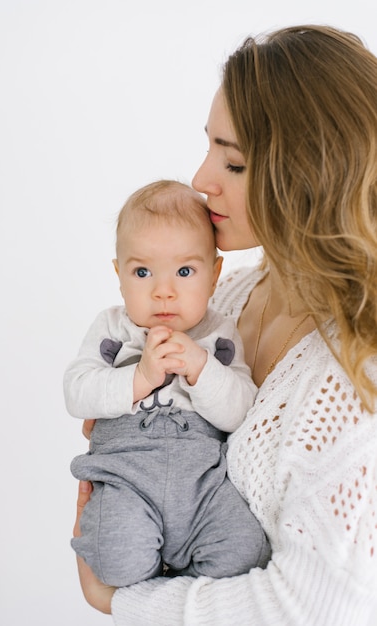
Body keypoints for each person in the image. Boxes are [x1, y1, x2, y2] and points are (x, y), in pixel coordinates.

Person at [73, 25, 377, 624]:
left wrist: (120, 598)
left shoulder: (356, 376)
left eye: (233, 162)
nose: (200, 179)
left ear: (310, 175)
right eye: (209, 146)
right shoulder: (227, 297)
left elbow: (317, 606)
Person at [65, 179, 270, 587]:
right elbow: (77, 391)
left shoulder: (220, 334)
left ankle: (182, 588)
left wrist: (201, 368)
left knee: (245, 551)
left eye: (184, 271)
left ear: (214, 276)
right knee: (115, 562)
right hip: (127, 480)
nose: (163, 292)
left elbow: (241, 411)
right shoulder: (113, 329)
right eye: (142, 271)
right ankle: (149, 567)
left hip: (204, 487)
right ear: (119, 275)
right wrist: (138, 378)